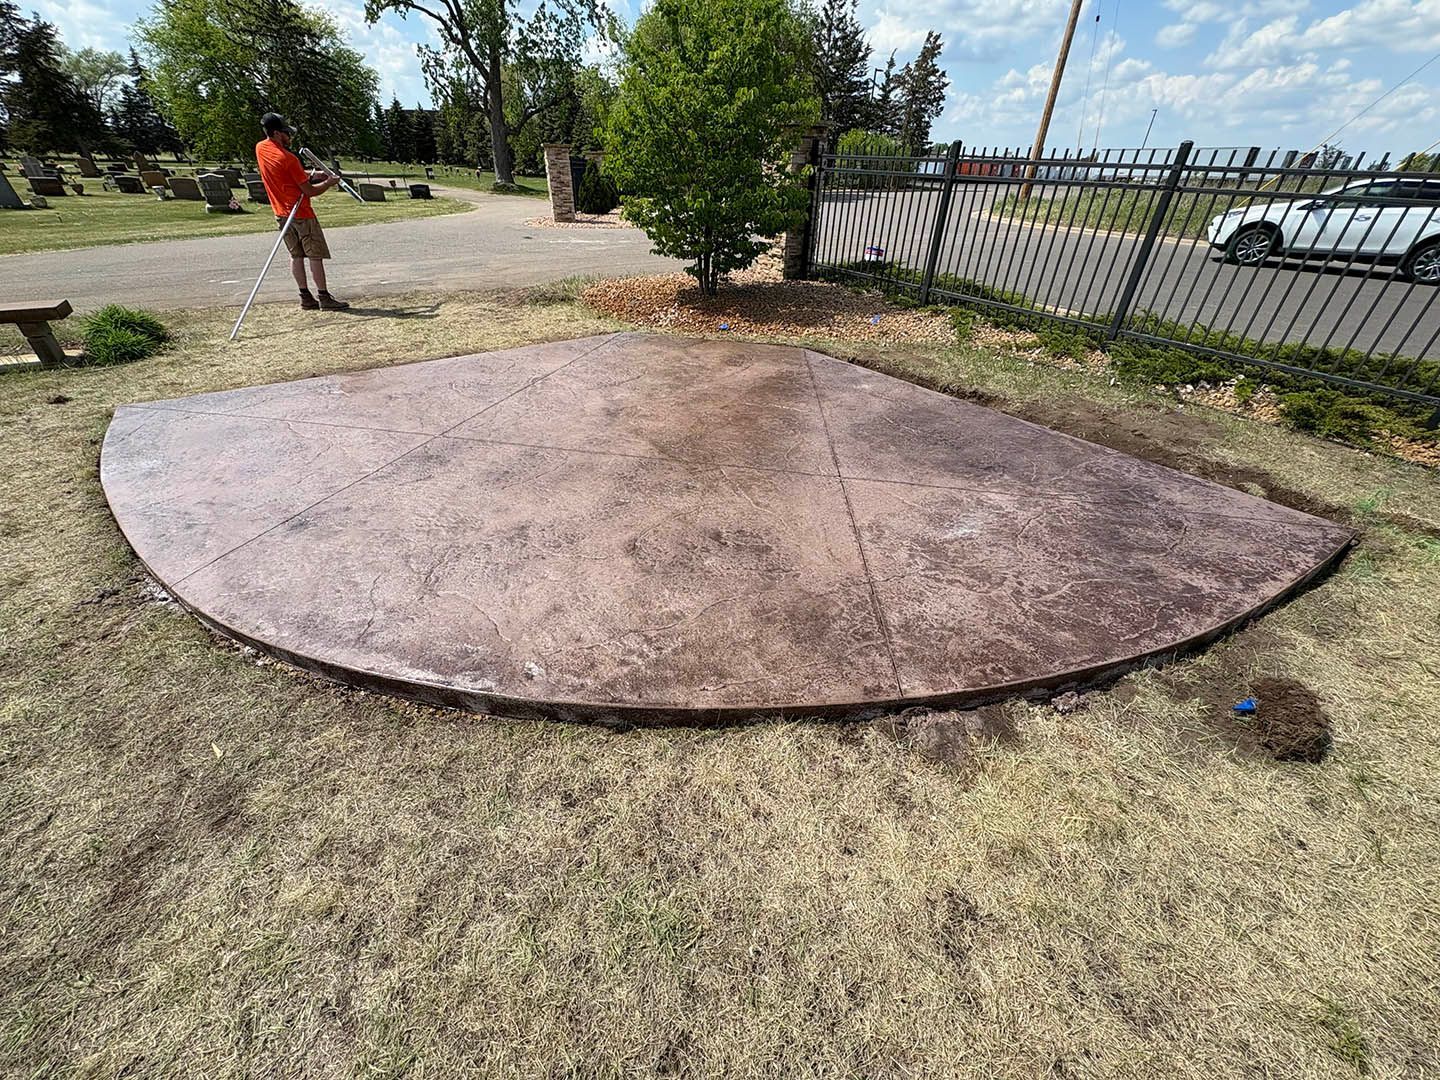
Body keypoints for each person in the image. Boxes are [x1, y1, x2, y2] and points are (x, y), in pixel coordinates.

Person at [254, 112, 350, 311]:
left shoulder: (261, 149)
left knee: (296, 255)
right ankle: (324, 297)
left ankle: (305, 296)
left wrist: (314, 174)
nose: (289, 137)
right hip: (301, 213)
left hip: (281, 213)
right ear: (277, 133)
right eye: (286, 133)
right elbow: (309, 191)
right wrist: (328, 182)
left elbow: (290, 175)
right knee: (315, 255)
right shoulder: (288, 158)